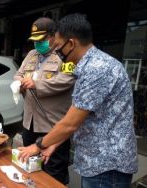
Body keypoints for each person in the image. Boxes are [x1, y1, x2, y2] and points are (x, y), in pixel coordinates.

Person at [18, 14, 138, 188]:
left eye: (58, 47)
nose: (57, 53)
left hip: (107, 164)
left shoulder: (97, 69)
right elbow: (82, 115)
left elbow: (70, 123)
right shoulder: (90, 66)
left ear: (71, 43)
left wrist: (38, 145)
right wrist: (52, 145)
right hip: (96, 160)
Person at [14, 17, 75, 184]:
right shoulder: (32, 54)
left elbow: (67, 80)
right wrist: (18, 83)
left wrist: (37, 84)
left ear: (53, 36)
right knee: (31, 167)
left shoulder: (65, 54)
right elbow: (19, 73)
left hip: (52, 125)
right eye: (35, 40)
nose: (37, 44)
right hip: (30, 123)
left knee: (53, 173)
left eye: (41, 40)